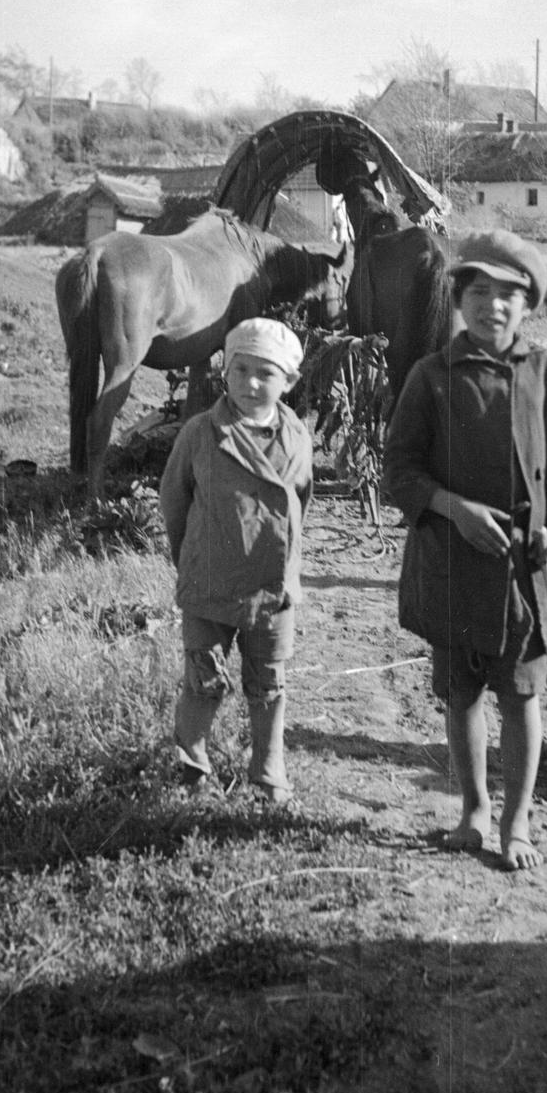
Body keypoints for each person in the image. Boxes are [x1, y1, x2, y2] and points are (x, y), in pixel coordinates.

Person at [383, 229, 547, 871]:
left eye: (507, 295)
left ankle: (517, 817)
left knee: (522, 693)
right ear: (458, 299)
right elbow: (400, 468)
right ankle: (474, 809)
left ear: (528, 306)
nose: (491, 307)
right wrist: (453, 508)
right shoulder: (432, 375)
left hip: (525, 572)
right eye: (478, 292)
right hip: (451, 560)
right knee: (463, 691)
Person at [160, 317, 311, 805]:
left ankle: (268, 770)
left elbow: (298, 503)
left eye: (265, 374)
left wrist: (281, 557)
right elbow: (174, 502)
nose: (250, 384)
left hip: (272, 586)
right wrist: (192, 557)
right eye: (240, 369)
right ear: (224, 371)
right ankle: (190, 765)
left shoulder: (297, 437)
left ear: (287, 381)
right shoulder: (201, 433)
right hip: (209, 577)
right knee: (203, 677)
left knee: (268, 680)